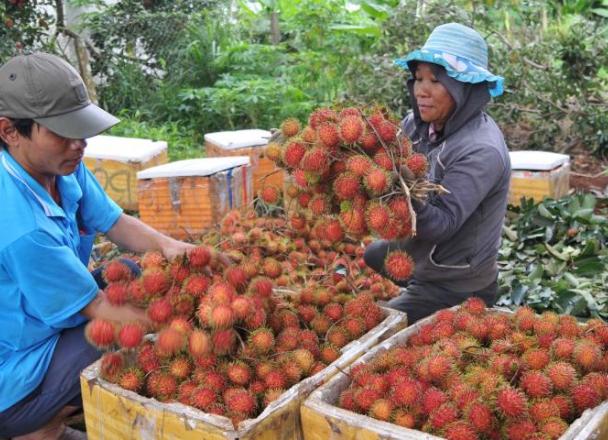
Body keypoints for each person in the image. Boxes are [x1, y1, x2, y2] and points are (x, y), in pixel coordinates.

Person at [0, 53, 225, 439]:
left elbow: (116, 223)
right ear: (10, 131)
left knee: (135, 275)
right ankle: (35, 427)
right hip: (13, 372)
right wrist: (187, 326)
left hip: (44, 323)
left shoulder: (59, 165)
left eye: (81, 129)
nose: (79, 144)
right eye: (62, 132)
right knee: (119, 337)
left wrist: (174, 248)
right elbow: (101, 309)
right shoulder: (20, 225)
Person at [364, 23, 511, 325]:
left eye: (435, 81)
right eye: (418, 78)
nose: (421, 90)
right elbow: (383, 161)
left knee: (379, 324)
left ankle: (430, 298)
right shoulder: (417, 123)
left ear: (464, 88)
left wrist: (402, 184)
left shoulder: (482, 150)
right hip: (424, 255)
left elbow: (441, 224)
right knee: (372, 254)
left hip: (457, 281)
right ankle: (416, 286)